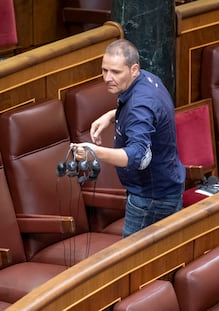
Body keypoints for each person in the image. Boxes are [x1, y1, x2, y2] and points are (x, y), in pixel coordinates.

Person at [72, 38, 185, 238]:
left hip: (150, 199)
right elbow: (150, 115)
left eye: (116, 72)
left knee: (133, 265)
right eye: (105, 70)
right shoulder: (148, 80)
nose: (108, 78)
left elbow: (137, 157)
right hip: (167, 185)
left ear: (133, 69)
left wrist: (95, 152)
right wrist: (112, 114)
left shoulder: (139, 106)